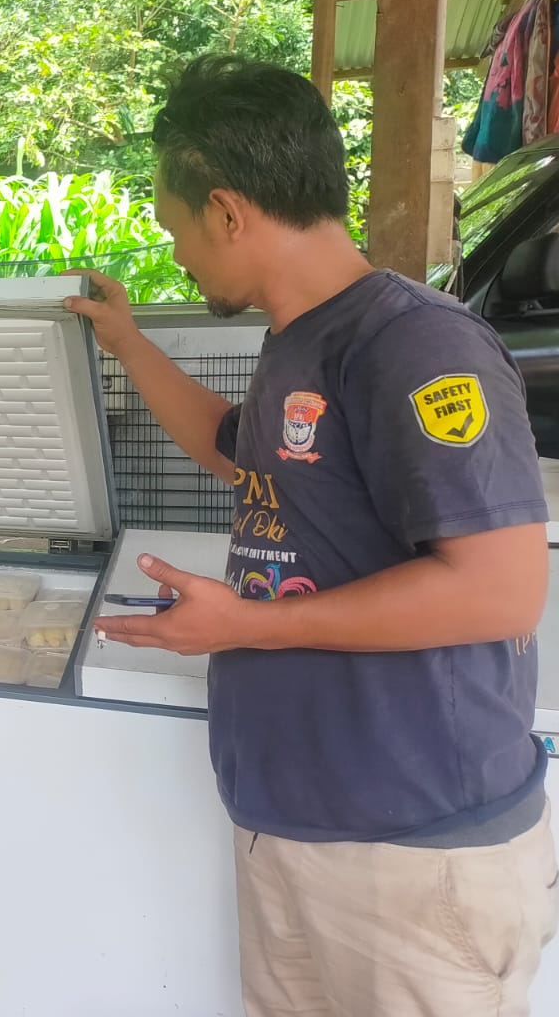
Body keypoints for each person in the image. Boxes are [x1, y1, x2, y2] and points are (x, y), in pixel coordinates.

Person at [70, 56, 557, 1016]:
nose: (176, 253)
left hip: (411, 855)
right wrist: (126, 343)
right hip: (297, 825)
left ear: (226, 211)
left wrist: (247, 625)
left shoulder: (415, 342)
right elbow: (235, 451)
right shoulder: (299, 338)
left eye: (173, 228)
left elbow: (499, 592)